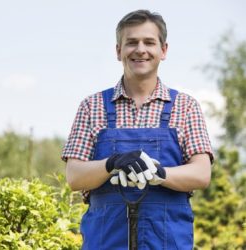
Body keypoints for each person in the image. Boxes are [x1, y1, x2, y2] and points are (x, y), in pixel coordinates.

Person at [62, 9, 213, 249]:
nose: (140, 49)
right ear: (118, 50)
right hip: (106, 241)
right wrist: (112, 163)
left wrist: (159, 174)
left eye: (149, 42)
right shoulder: (92, 106)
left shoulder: (185, 107)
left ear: (163, 50)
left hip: (167, 242)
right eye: (131, 42)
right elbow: (74, 176)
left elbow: (202, 173)